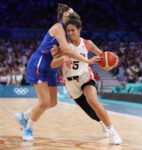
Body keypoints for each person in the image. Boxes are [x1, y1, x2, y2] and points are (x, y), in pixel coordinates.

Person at [14, 3, 100, 141]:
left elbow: (64, 51)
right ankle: (28, 129)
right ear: (65, 14)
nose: (75, 13)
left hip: (51, 67)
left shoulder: (66, 32)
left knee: (52, 102)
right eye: (72, 12)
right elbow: (66, 49)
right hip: (39, 64)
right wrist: (87, 60)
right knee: (44, 102)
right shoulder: (58, 27)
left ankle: (23, 116)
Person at [50, 15, 122, 144]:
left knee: (93, 101)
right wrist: (61, 59)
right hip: (70, 82)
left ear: (79, 30)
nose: (70, 33)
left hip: (85, 76)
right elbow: (53, 65)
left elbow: (103, 57)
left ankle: (113, 132)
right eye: (68, 31)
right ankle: (102, 123)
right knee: (90, 113)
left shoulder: (87, 43)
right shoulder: (63, 46)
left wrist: (112, 61)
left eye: (73, 30)